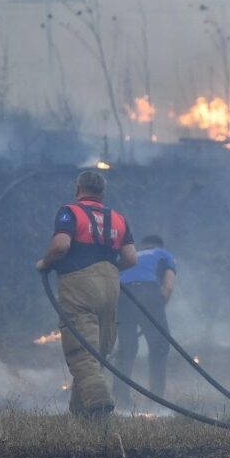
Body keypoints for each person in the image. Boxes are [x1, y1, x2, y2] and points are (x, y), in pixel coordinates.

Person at [36, 171, 137, 418]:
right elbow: (131, 259)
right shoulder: (118, 218)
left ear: (77, 189)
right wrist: (109, 271)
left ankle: (100, 402)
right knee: (99, 353)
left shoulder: (70, 212)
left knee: (82, 352)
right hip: (110, 285)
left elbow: (61, 245)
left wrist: (45, 263)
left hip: (78, 283)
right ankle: (81, 418)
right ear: (102, 193)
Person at [113, 235, 177, 408]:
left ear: (142, 246)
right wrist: (157, 308)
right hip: (149, 293)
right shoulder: (163, 254)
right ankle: (156, 401)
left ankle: (121, 400)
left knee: (126, 349)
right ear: (160, 245)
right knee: (159, 346)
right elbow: (169, 286)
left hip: (123, 296)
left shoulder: (133, 256)